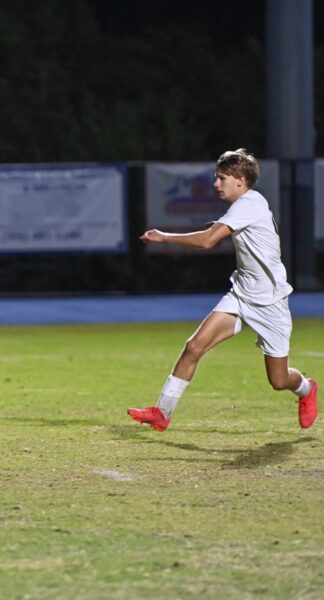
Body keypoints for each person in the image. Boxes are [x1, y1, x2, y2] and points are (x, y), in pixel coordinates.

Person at [128, 148, 317, 431]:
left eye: (222, 178)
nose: (216, 184)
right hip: (241, 295)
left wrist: (164, 236)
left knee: (278, 381)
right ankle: (162, 412)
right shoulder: (243, 205)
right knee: (194, 347)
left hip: (270, 303)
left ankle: (306, 388)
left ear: (240, 180)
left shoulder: (249, 204)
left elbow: (207, 241)